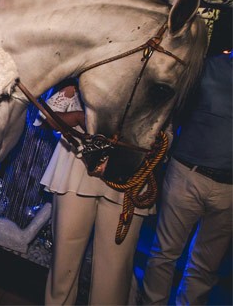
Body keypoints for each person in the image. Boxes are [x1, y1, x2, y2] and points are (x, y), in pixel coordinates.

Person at [38, 82, 154, 305]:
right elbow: (46, 118)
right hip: (77, 166)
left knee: (114, 274)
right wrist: (83, 117)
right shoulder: (90, 68)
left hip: (130, 171)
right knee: (63, 264)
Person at [141, 52, 232, 305]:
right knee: (164, 255)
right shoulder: (207, 66)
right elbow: (173, 107)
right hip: (187, 175)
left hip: (230, 190)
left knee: (205, 267)